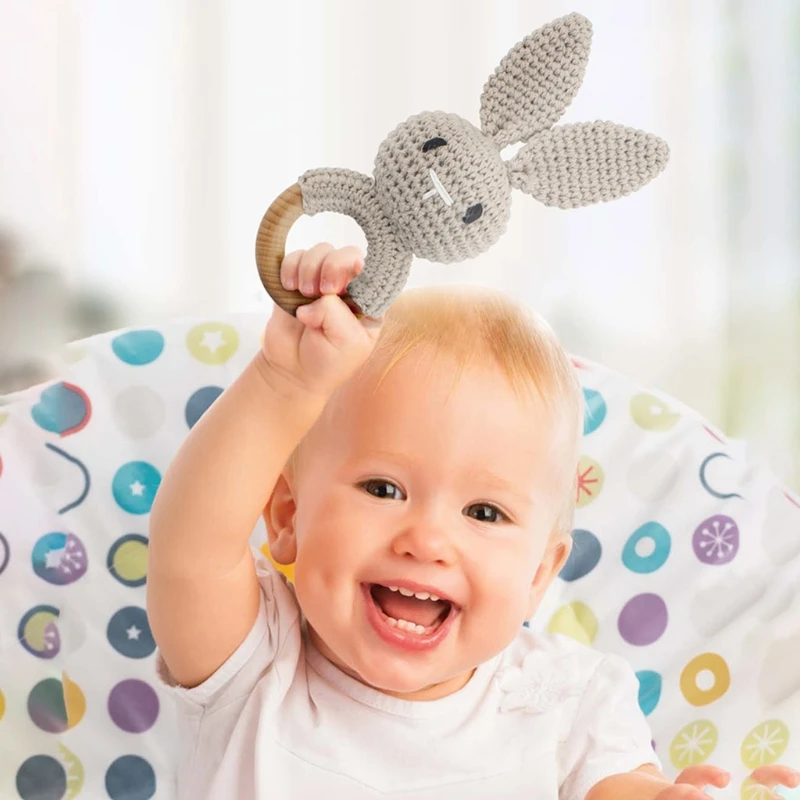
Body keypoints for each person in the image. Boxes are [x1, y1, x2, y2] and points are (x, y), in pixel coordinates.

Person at [147, 244, 799, 799]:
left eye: (484, 512)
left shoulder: (569, 703)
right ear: (287, 516)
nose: (426, 540)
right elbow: (192, 552)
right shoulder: (256, 659)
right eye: (384, 487)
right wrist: (284, 383)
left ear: (540, 572)